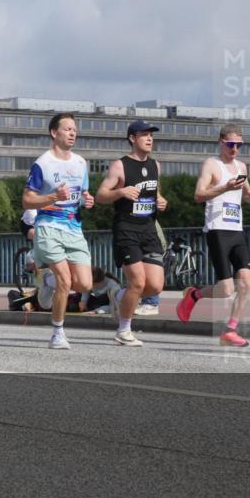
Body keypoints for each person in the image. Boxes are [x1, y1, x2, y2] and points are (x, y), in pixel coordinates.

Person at [178, 124, 250, 347]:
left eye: (239, 145)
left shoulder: (241, 166)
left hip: (236, 231)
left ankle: (230, 330)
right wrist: (224, 188)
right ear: (221, 142)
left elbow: (246, 196)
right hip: (217, 230)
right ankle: (194, 295)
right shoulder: (212, 164)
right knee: (226, 289)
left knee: (246, 283)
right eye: (231, 144)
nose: (235, 149)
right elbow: (199, 196)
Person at [21, 112, 96, 350]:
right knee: (66, 279)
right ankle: (58, 332)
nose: (73, 133)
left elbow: (82, 195)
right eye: (67, 129)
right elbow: (27, 200)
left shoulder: (81, 163)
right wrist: (53, 196)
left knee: (84, 284)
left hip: (73, 228)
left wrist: (87, 200)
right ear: (54, 133)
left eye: (74, 129)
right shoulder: (42, 163)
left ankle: (48, 281)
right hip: (48, 226)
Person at [95, 120, 168, 347]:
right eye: (144, 135)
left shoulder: (156, 165)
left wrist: (161, 201)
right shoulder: (120, 166)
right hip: (126, 229)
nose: (149, 139)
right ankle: (123, 331)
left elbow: (155, 194)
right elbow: (100, 196)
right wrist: (120, 192)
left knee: (154, 286)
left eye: (151, 135)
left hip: (148, 229)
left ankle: (118, 296)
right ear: (132, 138)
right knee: (137, 282)